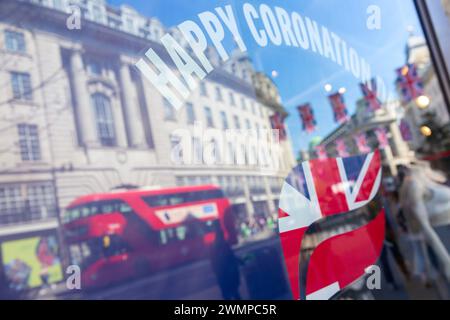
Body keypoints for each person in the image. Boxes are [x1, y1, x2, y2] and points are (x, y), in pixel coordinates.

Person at [209, 222, 242, 300]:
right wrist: (240, 261)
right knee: (234, 293)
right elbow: (230, 257)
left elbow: (214, 262)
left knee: (228, 294)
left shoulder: (214, 245)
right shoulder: (222, 244)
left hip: (222, 275)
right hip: (228, 274)